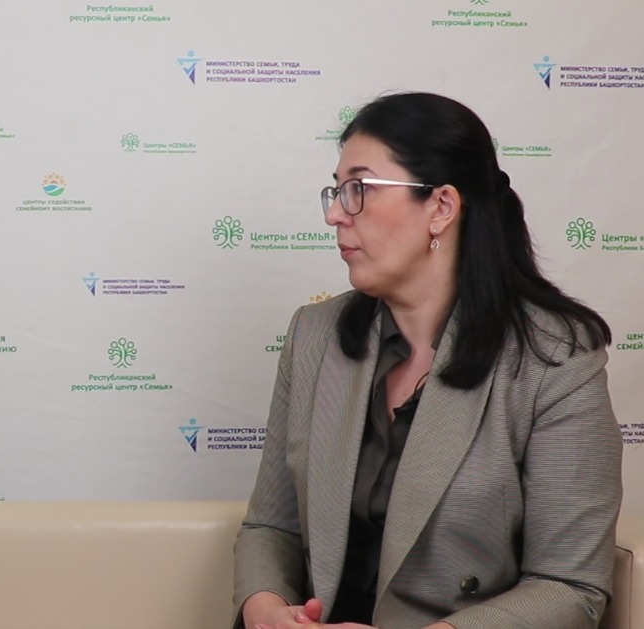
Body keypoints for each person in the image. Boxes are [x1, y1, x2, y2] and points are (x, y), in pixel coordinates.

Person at [233, 92, 621, 629]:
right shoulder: (314, 335)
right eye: (337, 190)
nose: (333, 215)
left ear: (441, 207)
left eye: (359, 190)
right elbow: (270, 528)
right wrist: (267, 611)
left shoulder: (553, 357)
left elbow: (569, 586)